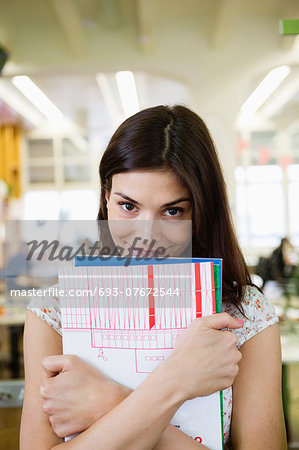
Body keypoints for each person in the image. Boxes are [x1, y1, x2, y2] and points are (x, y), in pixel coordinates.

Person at [20, 105, 287, 449]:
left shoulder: (245, 314)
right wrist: (176, 380)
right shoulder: (53, 311)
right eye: (128, 206)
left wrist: (109, 402)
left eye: (172, 211)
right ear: (105, 199)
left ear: (200, 212)